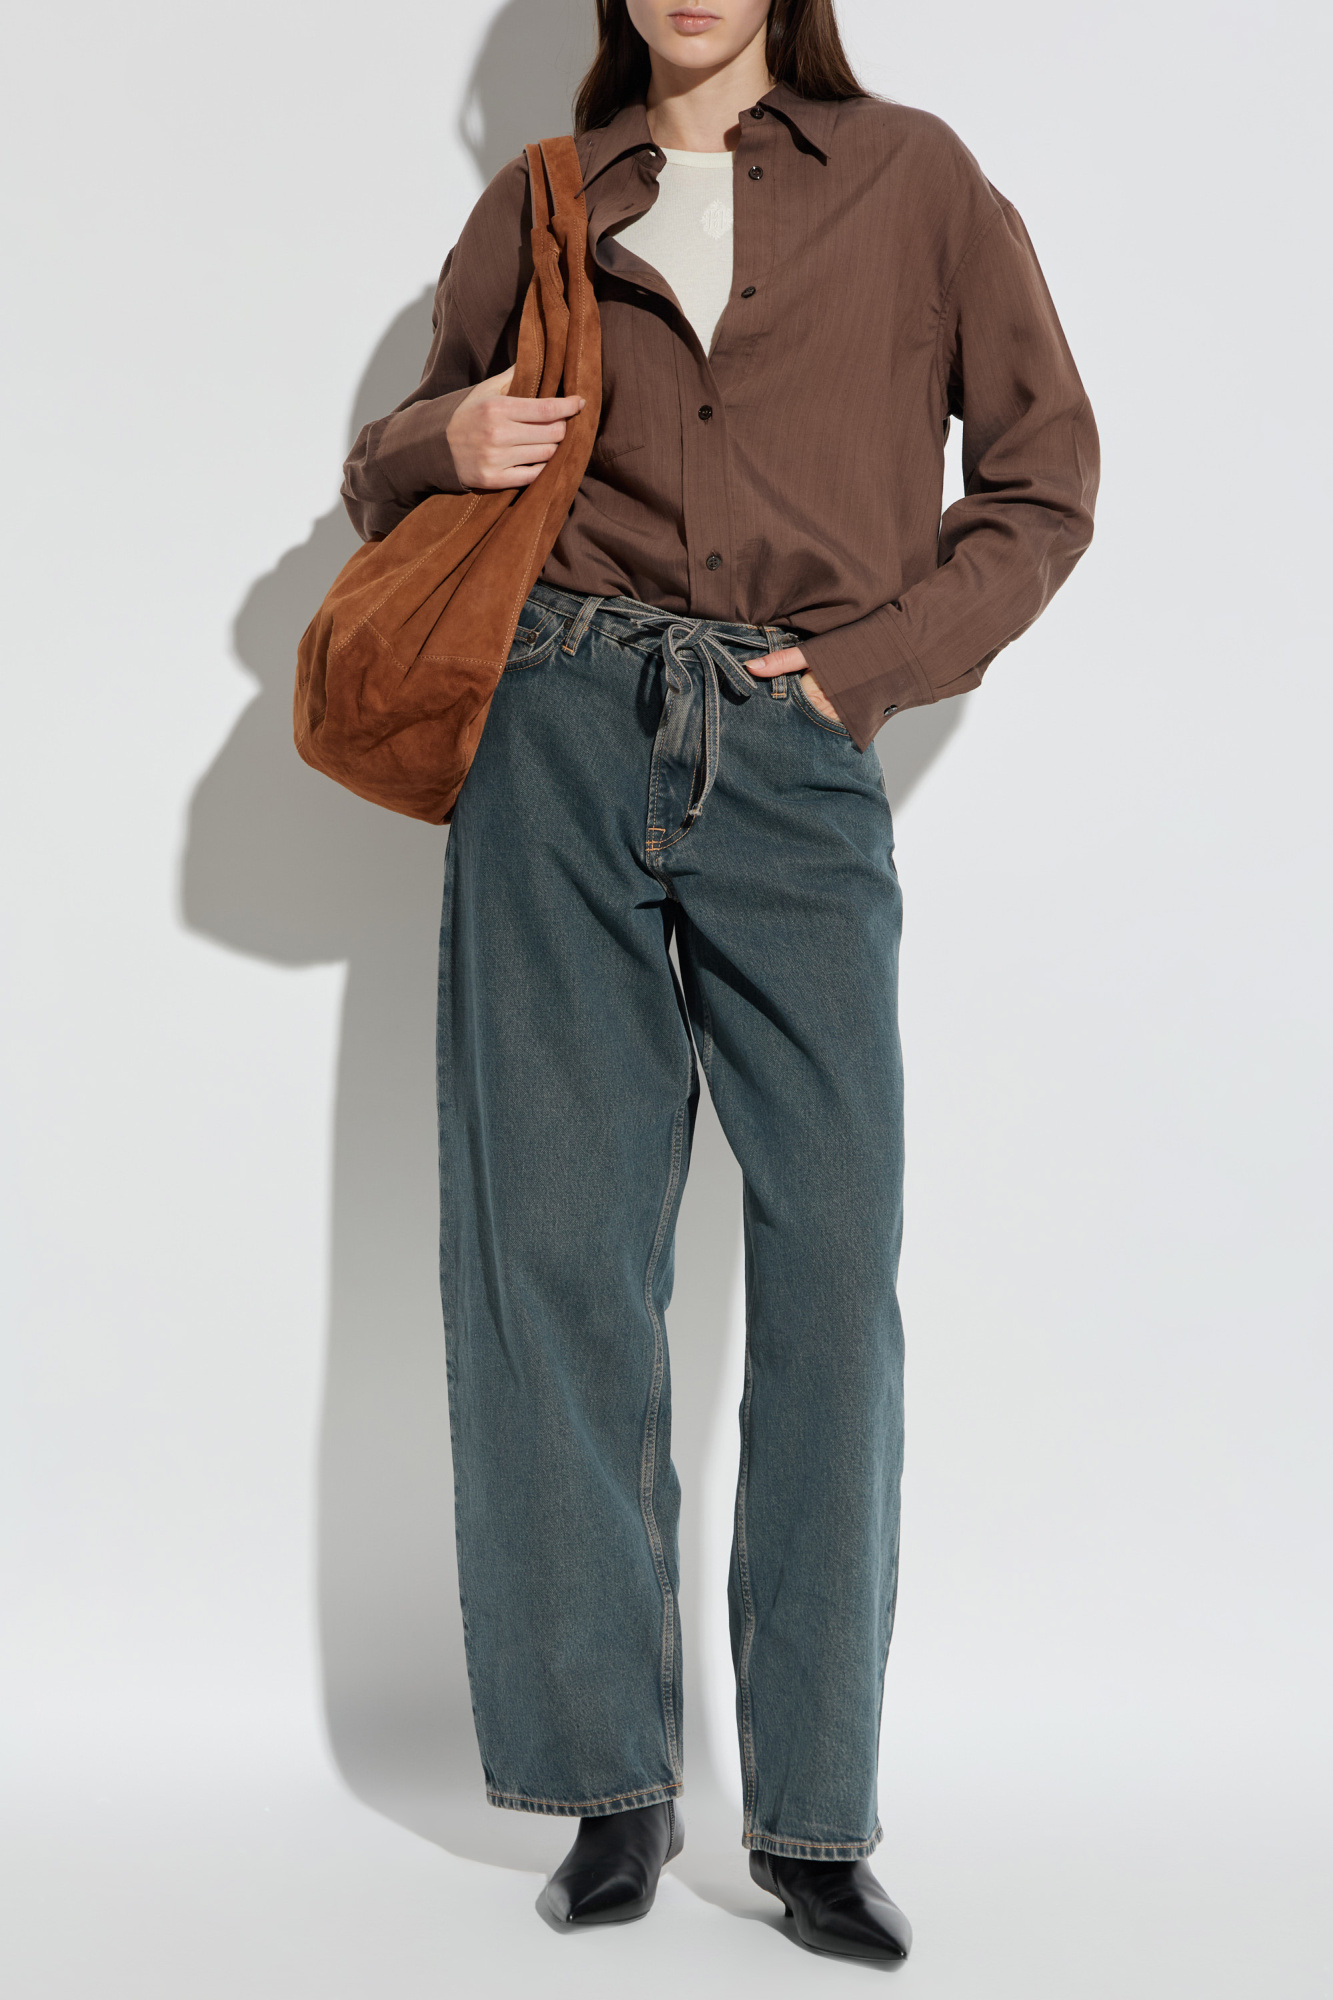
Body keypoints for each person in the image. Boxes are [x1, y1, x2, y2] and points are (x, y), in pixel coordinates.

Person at [340, 0, 1098, 1964]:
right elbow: (379, 473)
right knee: (560, 1257)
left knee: (832, 1264)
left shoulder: (912, 179)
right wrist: (444, 438)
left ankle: (816, 1815)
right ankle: (610, 1788)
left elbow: (1044, 477)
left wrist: (868, 668)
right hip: (554, 729)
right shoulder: (543, 198)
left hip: (790, 748)